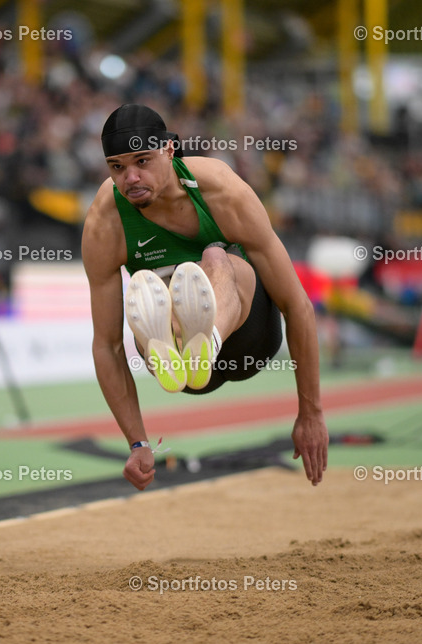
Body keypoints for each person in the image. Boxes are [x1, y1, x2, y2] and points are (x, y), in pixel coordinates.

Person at [81, 104, 328, 491]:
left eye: (142, 161)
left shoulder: (221, 190)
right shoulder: (105, 222)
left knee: (213, 256)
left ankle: (205, 337)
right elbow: (108, 345)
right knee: (148, 287)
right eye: (117, 167)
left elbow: (296, 305)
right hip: (189, 376)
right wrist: (138, 442)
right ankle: (185, 342)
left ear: (169, 151)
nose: (130, 178)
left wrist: (310, 414)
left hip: (250, 336)